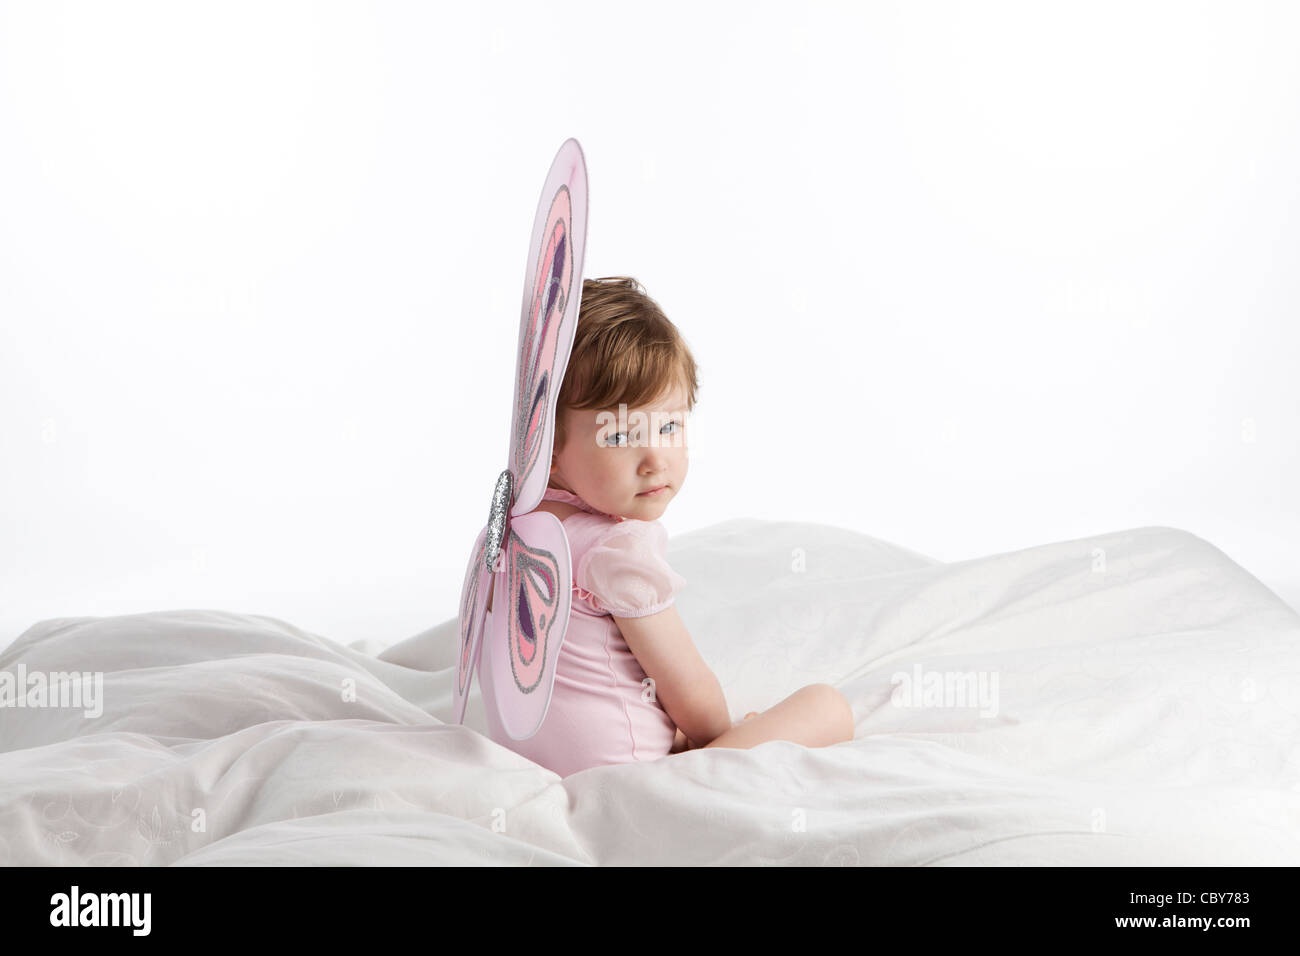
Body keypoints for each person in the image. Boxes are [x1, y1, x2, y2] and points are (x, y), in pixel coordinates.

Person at [480, 276, 854, 776]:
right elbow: (689, 692)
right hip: (626, 773)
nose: (656, 458)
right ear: (548, 450)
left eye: (670, 426)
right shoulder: (617, 550)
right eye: (620, 434)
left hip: (529, 756)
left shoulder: (509, 530)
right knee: (828, 706)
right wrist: (721, 736)